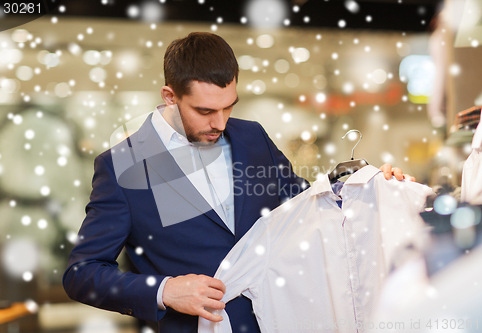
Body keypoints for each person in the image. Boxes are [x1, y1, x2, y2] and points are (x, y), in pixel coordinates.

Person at [63, 32, 413, 333]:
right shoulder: (124, 165)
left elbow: (305, 206)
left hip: (285, 319)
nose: (220, 122)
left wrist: (368, 185)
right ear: (170, 96)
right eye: (204, 111)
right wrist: (165, 290)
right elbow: (81, 273)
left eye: (229, 106)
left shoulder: (250, 136)